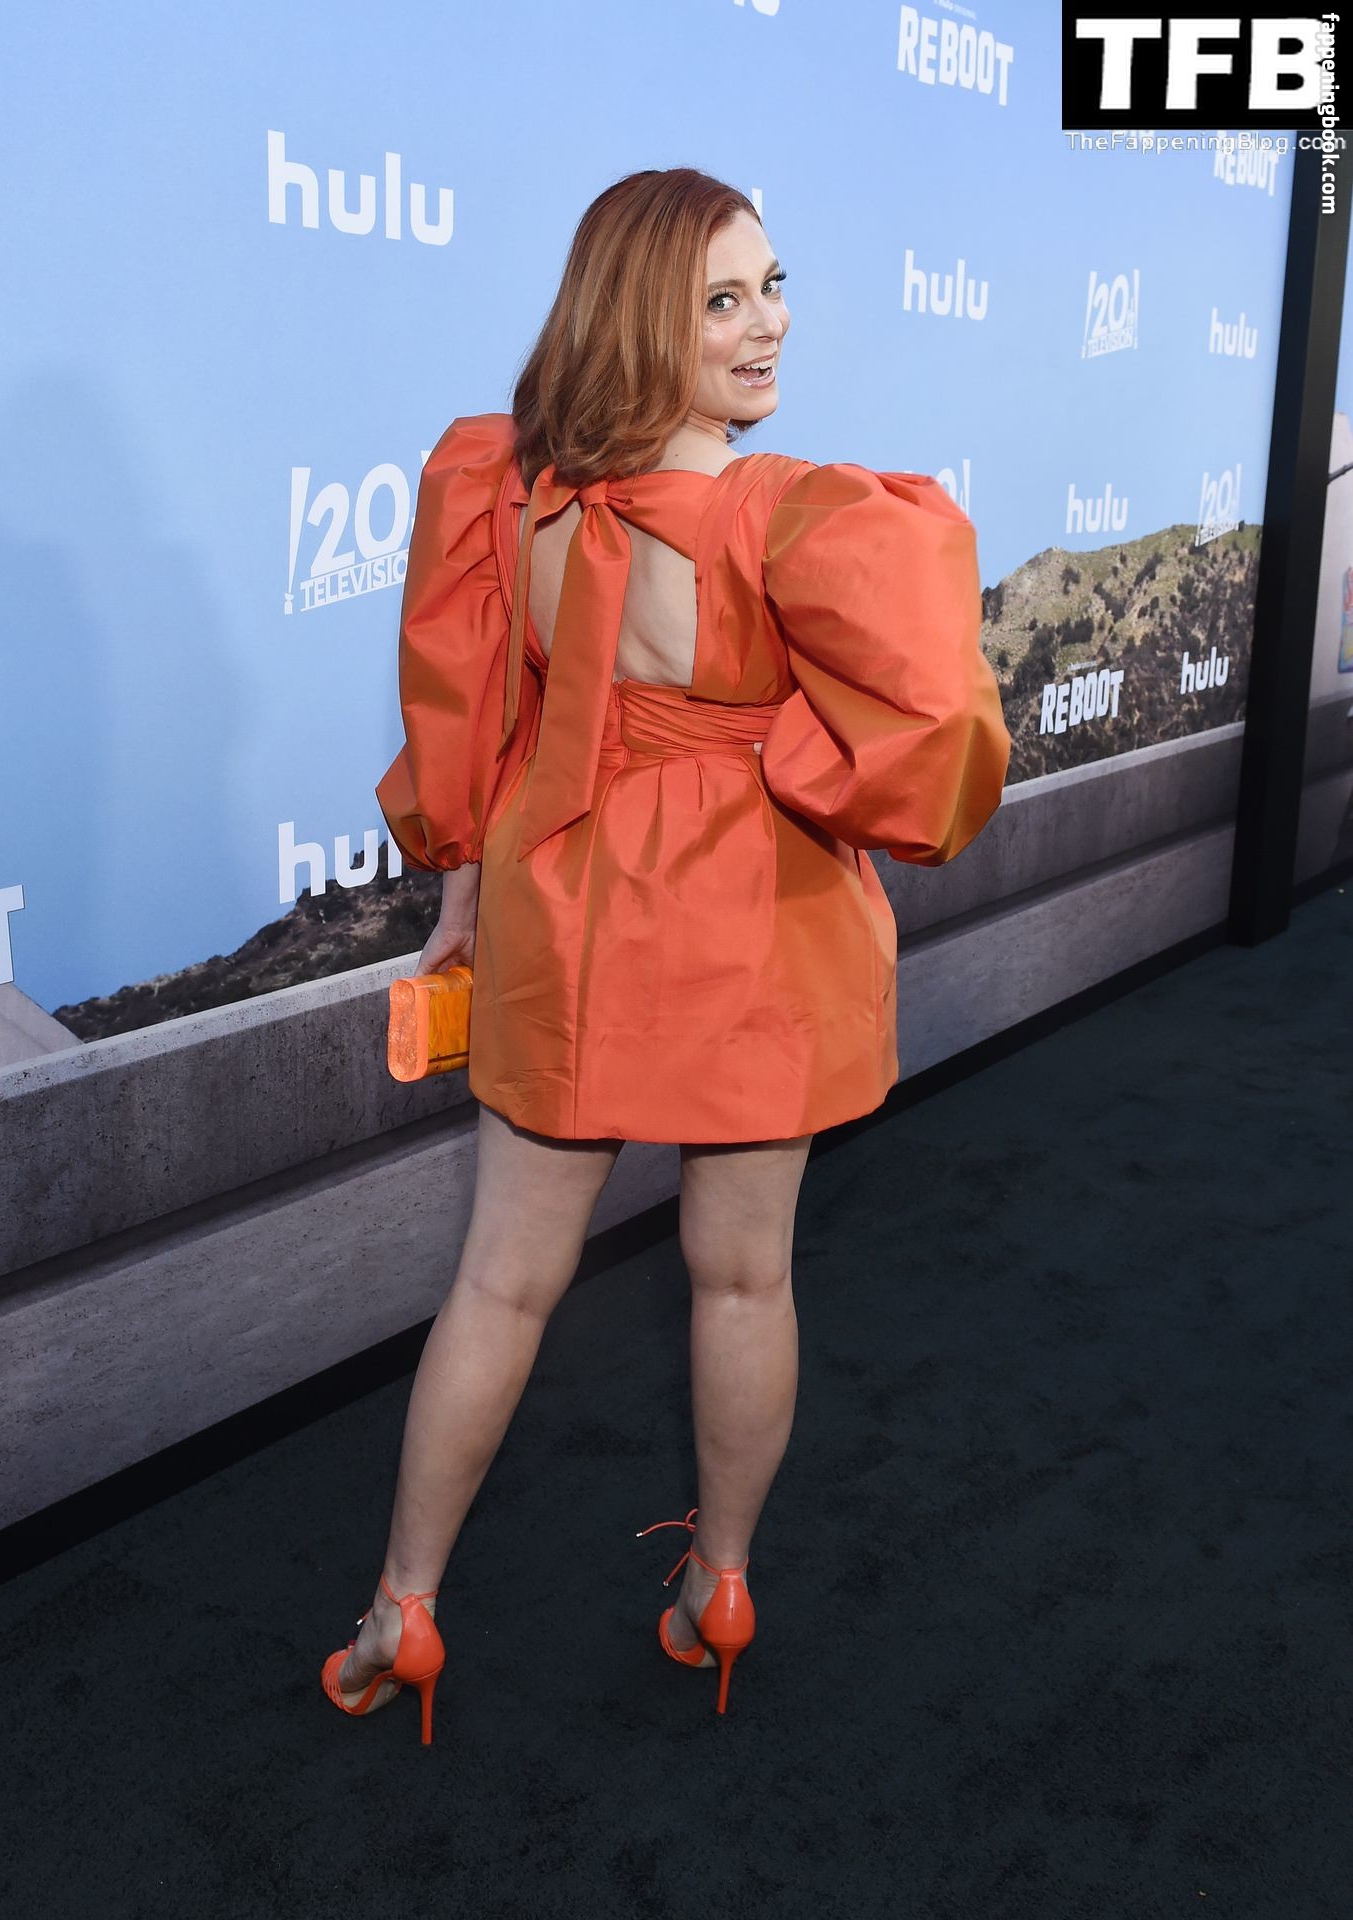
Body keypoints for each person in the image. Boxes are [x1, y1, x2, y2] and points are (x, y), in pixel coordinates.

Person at [321, 167, 1011, 1738]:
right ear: (642, 317)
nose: (767, 325)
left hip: (566, 905)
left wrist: (459, 891)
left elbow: (469, 715)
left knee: (498, 1286)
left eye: (772, 285)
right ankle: (720, 1585)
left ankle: (400, 1609)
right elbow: (938, 736)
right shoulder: (789, 514)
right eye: (721, 300)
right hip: (755, 922)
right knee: (744, 1277)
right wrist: (793, 758)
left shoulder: (511, 488)